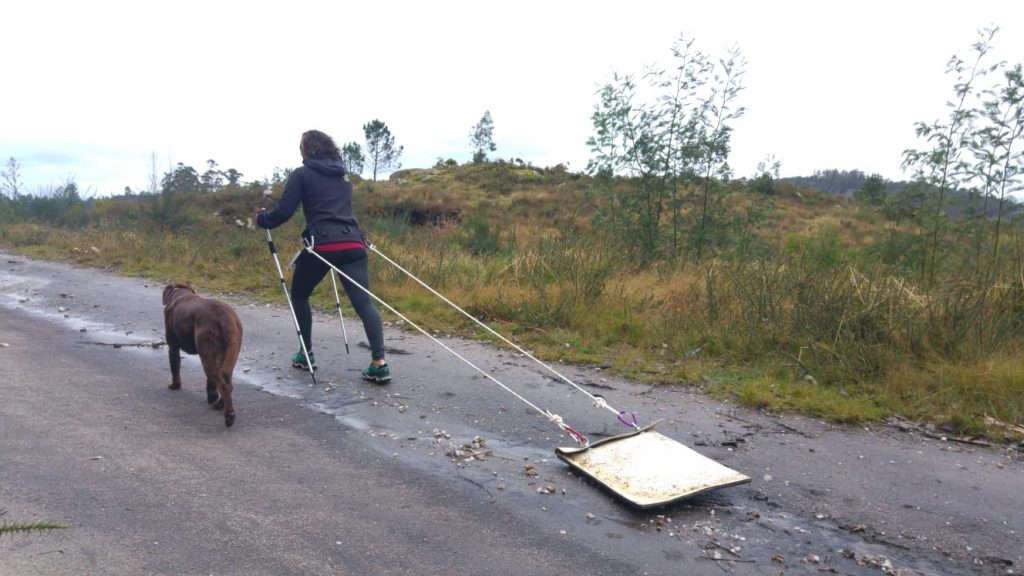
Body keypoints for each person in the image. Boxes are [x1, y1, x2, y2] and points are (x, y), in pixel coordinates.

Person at [254, 129, 390, 383]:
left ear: (307, 149)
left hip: (322, 246)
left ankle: (306, 354)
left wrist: (262, 219)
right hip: (353, 242)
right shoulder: (344, 176)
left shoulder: (301, 174)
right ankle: (379, 363)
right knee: (364, 303)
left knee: (299, 295)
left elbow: (283, 212)